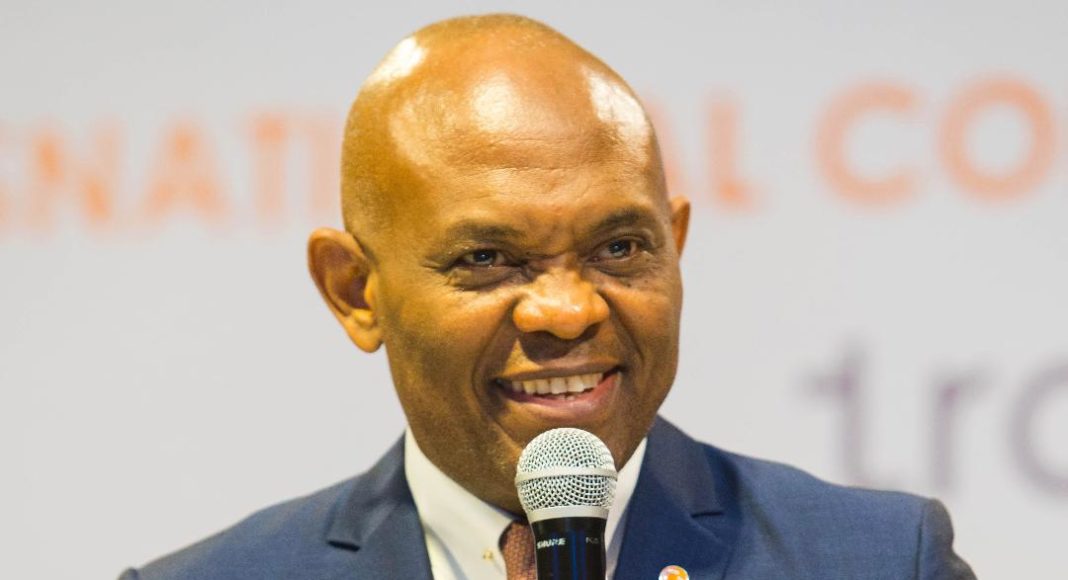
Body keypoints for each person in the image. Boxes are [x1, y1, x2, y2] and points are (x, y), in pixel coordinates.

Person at [121, 14, 975, 580]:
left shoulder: (878, 562)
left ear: (675, 246)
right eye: (488, 258)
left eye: (620, 248)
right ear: (355, 291)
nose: (568, 312)